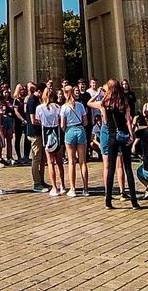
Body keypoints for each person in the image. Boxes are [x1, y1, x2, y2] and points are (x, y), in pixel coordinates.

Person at [89, 79, 139, 210]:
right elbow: (128, 121)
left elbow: (104, 119)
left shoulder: (105, 103)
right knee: (127, 167)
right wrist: (131, 135)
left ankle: (108, 201)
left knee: (110, 168)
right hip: (123, 135)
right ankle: (134, 201)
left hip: (111, 136)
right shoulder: (124, 102)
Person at [60, 85, 88, 197]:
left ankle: (73, 189)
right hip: (80, 129)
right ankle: (86, 188)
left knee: (71, 161)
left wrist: (66, 130)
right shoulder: (80, 105)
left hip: (70, 131)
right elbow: (85, 121)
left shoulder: (64, 107)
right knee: (83, 161)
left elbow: (62, 124)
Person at [37, 87, 65, 196]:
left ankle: (54, 187)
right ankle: (62, 185)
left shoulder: (39, 108)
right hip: (57, 132)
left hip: (46, 133)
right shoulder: (57, 107)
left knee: (50, 162)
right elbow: (59, 119)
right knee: (59, 162)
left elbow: (38, 120)